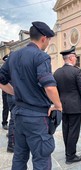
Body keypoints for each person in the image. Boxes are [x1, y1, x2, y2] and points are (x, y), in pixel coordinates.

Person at [0, 21, 62, 170]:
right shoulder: (41, 56)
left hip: (19, 115)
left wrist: (15, 91)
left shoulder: (13, 56)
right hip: (37, 118)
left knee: (20, 156)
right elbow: (49, 85)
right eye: (49, 40)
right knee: (41, 158)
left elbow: (1, 80)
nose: (48, 43)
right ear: (44, 38)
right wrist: (58, 105)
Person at [53, 46, 81, 164]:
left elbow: (56, 90)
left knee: (66, 130)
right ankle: (71, 156)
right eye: (74, 57)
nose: (75, 59)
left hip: (63, 106)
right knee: (73, 131)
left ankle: (68, 152)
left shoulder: (57, 72)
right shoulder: (77, 71)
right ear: (70, 58)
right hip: (74, 106)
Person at [1, 55, 9, 130]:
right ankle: (4, 122)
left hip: (13, 89)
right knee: (6, 107)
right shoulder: (3, 69)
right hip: (5, 90)